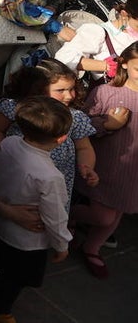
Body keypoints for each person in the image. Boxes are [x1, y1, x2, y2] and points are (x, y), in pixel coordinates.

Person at [0, 97, 72, 322]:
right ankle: (0, 312)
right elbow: (54, 216)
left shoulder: (9, 143)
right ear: (61, 138)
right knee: (14, 280)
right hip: (28, 241)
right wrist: (61, 244)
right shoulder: (51, 176)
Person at [69, 40, 138, 279]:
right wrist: (108, 125)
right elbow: (82, 125)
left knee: (118, 212)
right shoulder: (106, 92)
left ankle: (92, 247)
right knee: (103, 215)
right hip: (106, 165)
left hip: (133, 171)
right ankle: (67, 215)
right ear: (125, 64)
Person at [0, 61, 98, 209]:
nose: (69, 96)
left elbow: (83, 147)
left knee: (50, 213)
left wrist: (87, 167)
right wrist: (9, 151)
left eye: (72, 89)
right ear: (39, 90)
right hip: (17, 173)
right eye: (60, 90)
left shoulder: (74, 117)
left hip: (55, 179)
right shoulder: (16, 108)